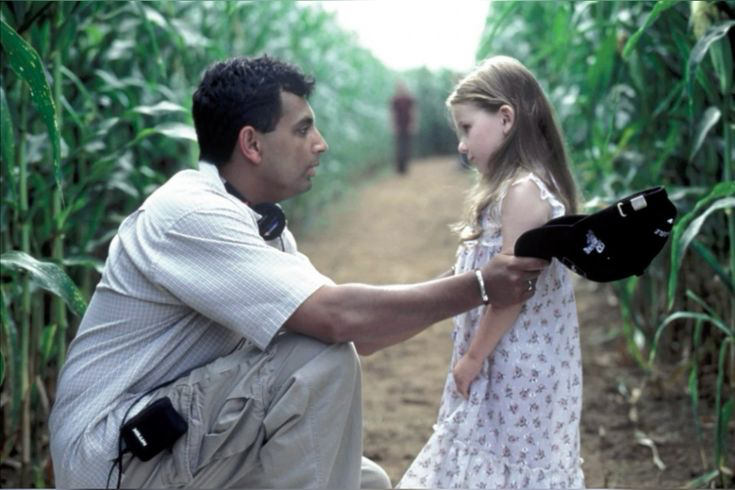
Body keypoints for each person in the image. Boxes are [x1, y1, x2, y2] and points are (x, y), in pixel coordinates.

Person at [48, 55, 547, 489]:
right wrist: (479, 286)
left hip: (171, 438)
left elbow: (363, 333)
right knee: (318, 360)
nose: (320, 144)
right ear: (252, 144)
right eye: (303, 129)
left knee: (366, 482)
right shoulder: (190, 213)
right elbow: (336, 320)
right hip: (116, 456)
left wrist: (467, 277)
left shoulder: (259, 223)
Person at [398, 55, 585, 489]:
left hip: (515, 361)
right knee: (487, 450)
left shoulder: (523, 193)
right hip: (503, 354)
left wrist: (473, 358)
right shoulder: (511, 190)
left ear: (505, 118)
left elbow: (511, 293)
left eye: (466, 128)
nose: (461, 146)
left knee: (507, 458)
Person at [390, 80, 416, 174]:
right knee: (399, 147)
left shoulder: (409, 99)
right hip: (399, 126)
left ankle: (405, 167)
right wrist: (393, 125)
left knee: (406, 147)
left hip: (407, 125)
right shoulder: (394, 100)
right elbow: (392, 113)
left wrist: (413, 123)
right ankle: (399, 167)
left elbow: (413, 111)